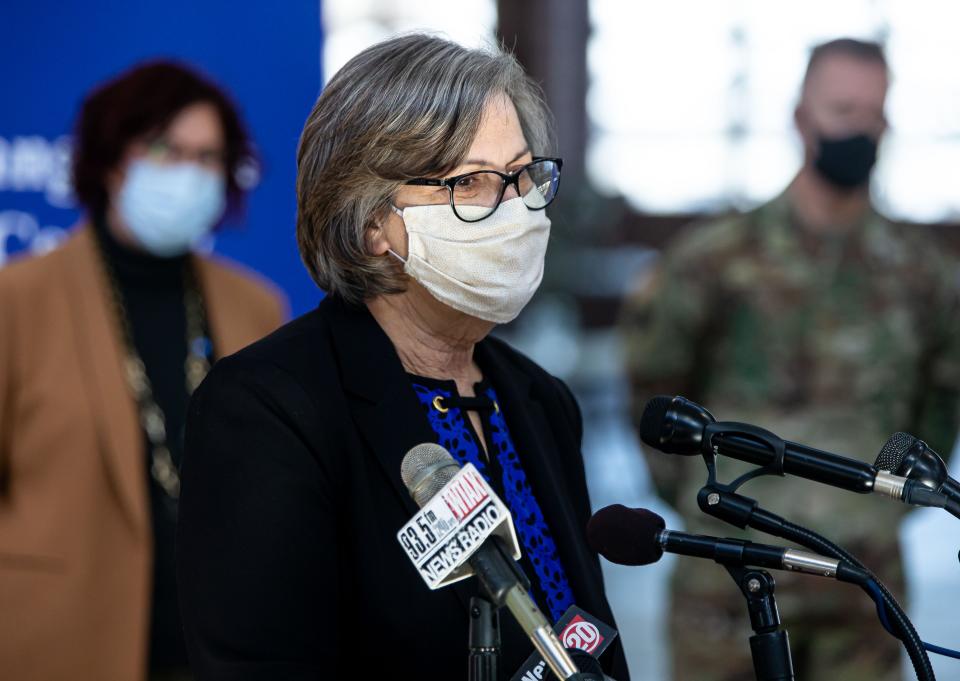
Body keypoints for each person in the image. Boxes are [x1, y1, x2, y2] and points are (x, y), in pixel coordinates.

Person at [176, 34, 630, 680]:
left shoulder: (539, 397)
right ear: (371, 221)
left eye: (525, 174)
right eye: (471, 182)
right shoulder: (268, 410)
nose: (516, 208)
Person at [621, 38, 960, 681]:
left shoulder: (924, 274)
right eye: (841, 109)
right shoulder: (715, 259)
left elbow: (941, 402)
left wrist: (882, 504)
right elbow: (654, 390)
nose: (858, 128)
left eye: (873, 112)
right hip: (730, 573)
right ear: (801, 117)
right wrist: (703, 499)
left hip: (864, 581)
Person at [0, 62, 287, 681]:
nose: (187, 171)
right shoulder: (17, 299)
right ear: (109, 158)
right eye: (165, 149)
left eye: (208, 157)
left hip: (220, 648)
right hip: (59, 644)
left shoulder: (257, 306)